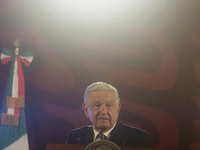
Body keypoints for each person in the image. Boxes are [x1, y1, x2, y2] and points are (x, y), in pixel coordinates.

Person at [66, 82, 153, 148]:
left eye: (109, 105)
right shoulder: (75, 137)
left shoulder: (138, 138)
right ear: (86, 109)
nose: (103, 111)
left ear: (117, 108)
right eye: (97, 105)